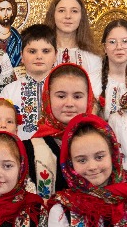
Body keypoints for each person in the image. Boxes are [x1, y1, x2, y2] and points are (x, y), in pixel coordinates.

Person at [25, 63, 96, 199]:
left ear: (89, 99)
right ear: (47, 97)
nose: (69, 103)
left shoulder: (102, 142)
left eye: (77, 96)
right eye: (61, 96)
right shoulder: (30, 148)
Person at [0, 23, 56, 140]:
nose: (39, 56)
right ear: (22, 57)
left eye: (46, 51)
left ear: (55, 56)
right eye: (32, 51)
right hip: (21, 151)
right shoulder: (9, 91)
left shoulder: (63, 89)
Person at [46, 0, 103, 89]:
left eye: (74, 11)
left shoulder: (93, 58)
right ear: (53, 15)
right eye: (61, 11)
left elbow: (94, 95)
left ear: (82, 17)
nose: (68, 16)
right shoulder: (40, 54)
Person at [96, 19, 127, 120]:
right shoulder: (94, 80)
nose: (119, 47)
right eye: (112, 42)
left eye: (125, 41)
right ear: (104, 47)